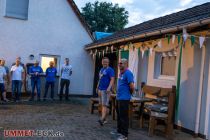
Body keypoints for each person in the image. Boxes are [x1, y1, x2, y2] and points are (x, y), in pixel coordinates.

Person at [115, 58, 134, 140]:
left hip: (124, 98)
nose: (119, 65)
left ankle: (124, 135)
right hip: (119, 97)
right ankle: (119, 131)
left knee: (123, 117)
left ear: (126, 64)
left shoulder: (128, 73)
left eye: (121, 63)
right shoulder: (121, 73)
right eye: (119, 63)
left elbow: (132, 86)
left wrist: (129, 93)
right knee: (119, 116)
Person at [96, 57, 115, 126]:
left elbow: (112, 79)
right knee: (101, 104)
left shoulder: (110, 70)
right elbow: (100, 79)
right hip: (100, 89)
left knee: (104, 105)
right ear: (102, 62)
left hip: (106, 90)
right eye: (103, 62)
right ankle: (105, 119)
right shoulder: (101, 69)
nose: (105, 63)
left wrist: (109, 88)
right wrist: (97, 87)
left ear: (108, 62)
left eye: (106, 62)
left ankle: (102, 119)